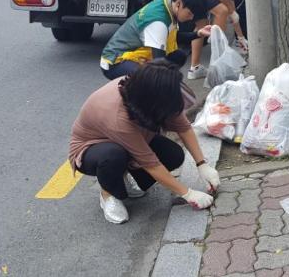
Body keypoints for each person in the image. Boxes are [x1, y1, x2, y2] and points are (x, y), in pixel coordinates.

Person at [69, 59, 220, 224]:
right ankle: (108, 194)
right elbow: (151, 164)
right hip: (93, 147)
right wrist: (188, 194)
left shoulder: (157, 91)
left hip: (133, 139)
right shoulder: (118, 115)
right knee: (113, 156)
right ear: (153, 101)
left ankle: (124, 177)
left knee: (173, 155)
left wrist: (202, 165)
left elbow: (184, 128)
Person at [100, 0, 212, 79]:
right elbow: (159, 63)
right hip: (114, 62)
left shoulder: (167, 4)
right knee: (152, 77)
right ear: (178, 4)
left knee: (178, 56)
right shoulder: (159, 22)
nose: (191, 18)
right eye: (190, 13)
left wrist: (198, 34)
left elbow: (174, 37)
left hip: (136, 55)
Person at [169, 0, 248, 80]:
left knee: (202, 23)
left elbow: (231, 7)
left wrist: (241, 37)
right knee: (221, 11)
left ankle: (195, 69)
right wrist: (231, 12)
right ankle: (218, 65)